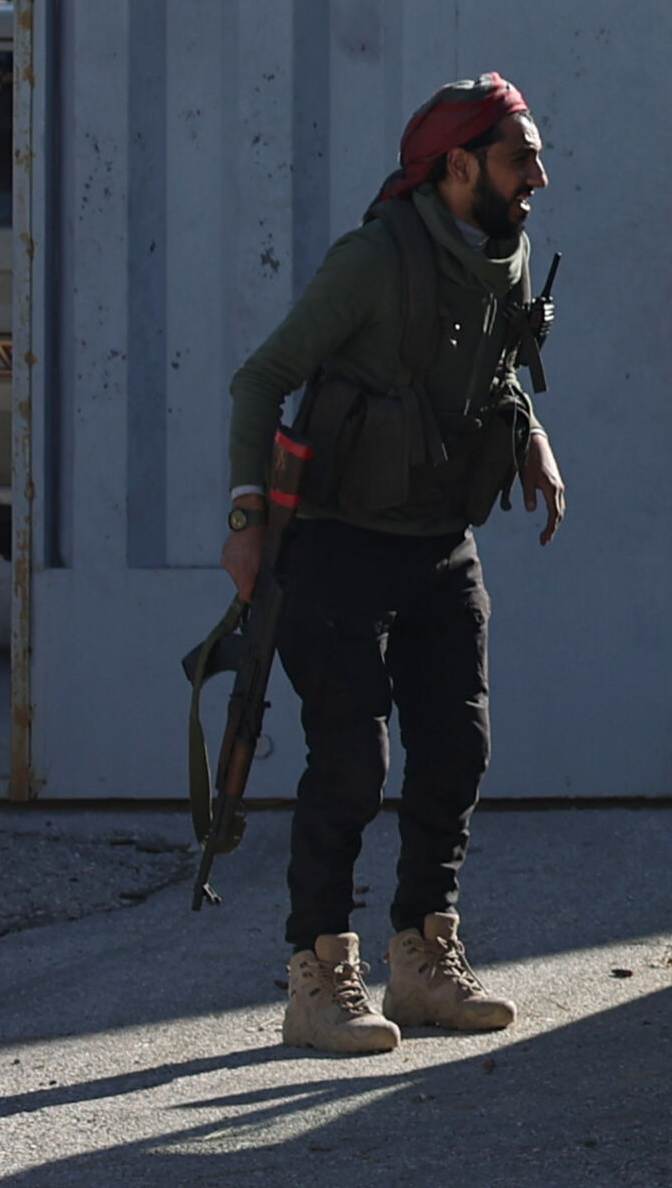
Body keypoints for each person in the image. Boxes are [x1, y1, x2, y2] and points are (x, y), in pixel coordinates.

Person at [222, 77, 570, 1056]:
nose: (537, 177)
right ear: (459, 168)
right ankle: (318, 975)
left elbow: (495, 371)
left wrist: (534, 439)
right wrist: (247, 518)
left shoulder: (505, 251)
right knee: (350, 759)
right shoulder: (374, 262)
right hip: (334, 544)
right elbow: (264, 378)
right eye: (519, 158)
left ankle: (422, 961)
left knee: (457, 746)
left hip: (436, 543)